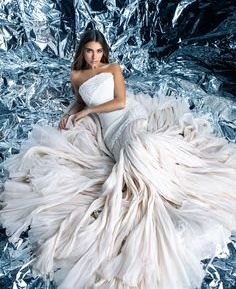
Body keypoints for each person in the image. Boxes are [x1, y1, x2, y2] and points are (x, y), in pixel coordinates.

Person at [1, 29, 236, 289]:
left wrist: (89, 110)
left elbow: (121, 101)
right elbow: (80, 101)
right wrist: (69, 114)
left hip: (128, 117)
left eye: (99, 51)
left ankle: (177, 186)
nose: (94, 56)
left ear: (104, 52)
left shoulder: (112, 68)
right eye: (90, 50)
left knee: (143, 145)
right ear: (82, 51)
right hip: (109, 131)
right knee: (131, 157)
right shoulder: (77, 75)